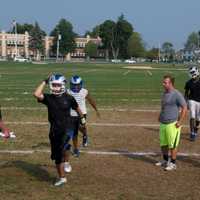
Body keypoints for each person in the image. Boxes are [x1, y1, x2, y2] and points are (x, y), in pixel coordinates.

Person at [33, 73, 86, 186]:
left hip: (66, 129)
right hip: (54, 131)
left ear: (62, 85)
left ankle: (62, 178)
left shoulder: (69, 98)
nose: (55, 87)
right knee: (63, 150)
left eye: (58, 85)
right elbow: (36, 94)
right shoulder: (49, 98)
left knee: (58, 157)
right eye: (54, 85)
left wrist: (82, 118)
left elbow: (77, 108)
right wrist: (44, 81)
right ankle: (66, 159)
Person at [156, 74, 187, 171]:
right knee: (163, 144)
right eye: (163, 82)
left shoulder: (177, 94)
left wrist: (180, 122)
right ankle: (165, 161)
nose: (163, 84)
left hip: (172, 124)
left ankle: (173, 163)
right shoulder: (165, 93)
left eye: (165, 82)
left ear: (171, 83)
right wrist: (160, 115)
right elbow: (164, 106)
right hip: (163, 123)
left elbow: (185, 107)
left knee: (172, 145)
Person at [67, 75, 100, 157]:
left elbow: (91, 100)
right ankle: (76, 149)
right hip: (71, 115)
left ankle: (85, 135)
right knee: (75, 133)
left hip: (82, 114)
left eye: (77, 85)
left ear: (81, 84)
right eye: (74, 85)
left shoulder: (85, 91)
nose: (75, 87)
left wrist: (96, 110)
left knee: (82, 128)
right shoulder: (67, 92)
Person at [184, 66, 200, 141]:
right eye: (190, 73)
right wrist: (185, 102)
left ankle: (196, 128)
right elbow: (186, 93)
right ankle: (192, 133)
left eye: (192, 72)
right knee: (192, 116)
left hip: (199, 102)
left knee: (198, 118)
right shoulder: (188, 83)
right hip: (191, 100)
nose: (191, 74)